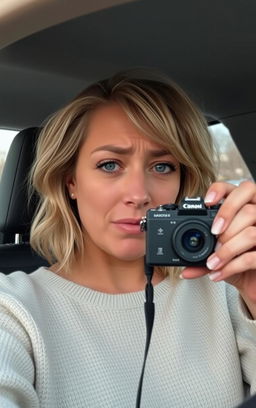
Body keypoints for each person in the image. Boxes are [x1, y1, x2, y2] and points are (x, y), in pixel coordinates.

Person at [0, 69, 256, 408]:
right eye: (109, 165)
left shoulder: (227, 290)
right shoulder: (14, 310)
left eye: (163, 166)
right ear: (70, 181)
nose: (139, 194)